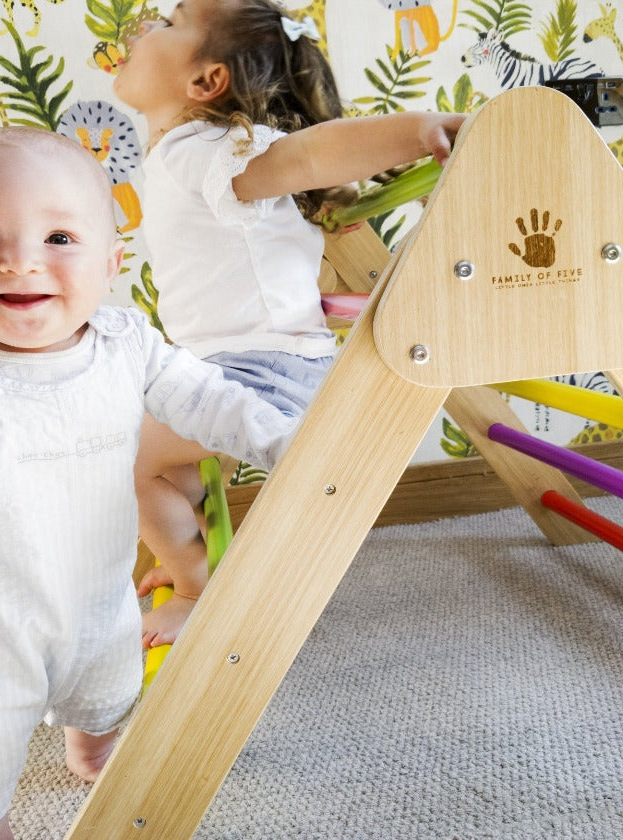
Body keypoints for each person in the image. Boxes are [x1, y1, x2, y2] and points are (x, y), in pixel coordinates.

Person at [0, 126, 299, 840]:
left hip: (93, 592)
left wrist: (282, 439)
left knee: (106, 684)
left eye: (59, 239)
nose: (20, 261)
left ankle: (94, 745)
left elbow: (208, 398)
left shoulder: (126, 345)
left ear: (110, 262)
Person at [112, 0, 466, 647]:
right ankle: (190, 558)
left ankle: (197, 591)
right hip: (227, 363)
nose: (145, 25)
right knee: (155, 461)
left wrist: (418, 131)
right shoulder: (189, 155)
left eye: (169, 24)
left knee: (130, 454)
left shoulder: (214, 148)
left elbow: (307, 158)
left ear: (205, 83)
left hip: (262, 369)